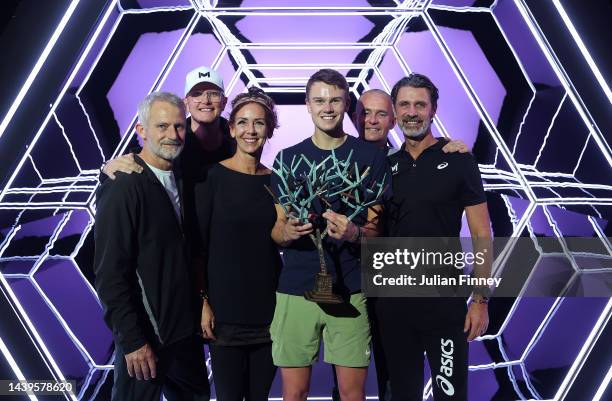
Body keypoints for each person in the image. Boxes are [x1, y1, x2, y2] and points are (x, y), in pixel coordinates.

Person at [269, 69, 391, 401]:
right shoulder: (287, 159)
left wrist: (353, 233)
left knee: (353, 394)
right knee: (294, 393)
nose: (327, 107)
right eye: (319, 100)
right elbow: (277, 232)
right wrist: (289, 231)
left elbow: (377, 235)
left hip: (350, 289)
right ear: (307, 105)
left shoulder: (372, 158)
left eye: (335, 99)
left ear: (346, 104)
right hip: (296, 290)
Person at [375, 73, 491, 401]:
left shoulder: (459, 160)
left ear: (433, 110)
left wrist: (480, 301)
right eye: (404, 105)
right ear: (395, 113)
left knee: (450, 396)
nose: (412, 112)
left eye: (420, 104)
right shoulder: (385, 165)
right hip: (394, 306)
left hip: (444, 305)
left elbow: (482, 233)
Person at [94, 92, 209, 401]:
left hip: (184, 335)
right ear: (141, 131)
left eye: (178, 126)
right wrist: (132, 340)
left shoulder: (182, 177)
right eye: (161, 127)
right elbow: (109, 274)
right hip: (147, 337)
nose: (172, 135)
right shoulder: (123, 185)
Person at [195, 87, 281, 401]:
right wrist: (202, 301)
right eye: (242, 122)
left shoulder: (277, 181)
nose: (250, 130)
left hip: (269, 314)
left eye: (259, 123)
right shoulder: (211, 179)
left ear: (269, 129)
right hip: (224, 315)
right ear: (231, 129)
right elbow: (197, 247)